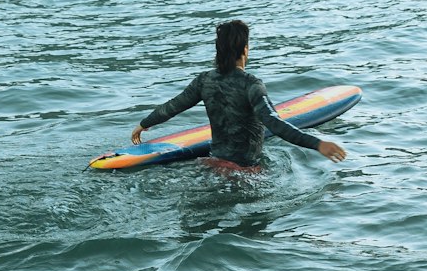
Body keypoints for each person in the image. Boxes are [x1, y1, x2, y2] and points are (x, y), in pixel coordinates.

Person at [131, 20, 347, 169]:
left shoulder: (204, 80)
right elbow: (275, 124)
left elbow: (174, 106)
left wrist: (144, 124)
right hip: (245, 172)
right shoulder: (251, 85)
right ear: (245, 49)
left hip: (212, 164)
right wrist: (318, 143)